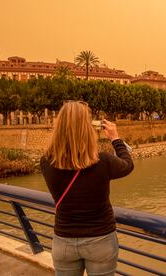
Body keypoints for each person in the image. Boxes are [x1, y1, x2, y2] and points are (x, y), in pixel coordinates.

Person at [41, 101, 134, 276]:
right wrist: (116, 139)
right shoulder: (103, 161)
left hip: (64, 241)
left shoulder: (46, 162)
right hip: (101, 240)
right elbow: (128, 165)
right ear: (88, 128)